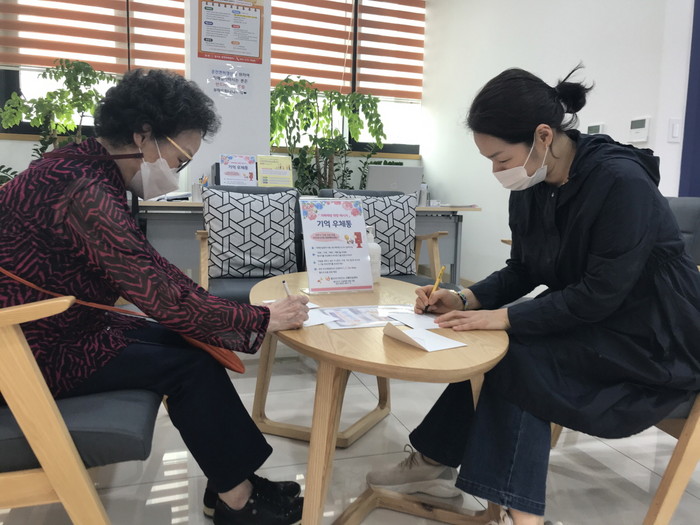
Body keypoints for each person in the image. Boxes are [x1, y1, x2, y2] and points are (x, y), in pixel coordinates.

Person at [366, 66, 700, 525]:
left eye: (500, 158)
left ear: (543, 136)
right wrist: (465, 299)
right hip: (594, 316)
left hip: (656, 337)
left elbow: (600, 294)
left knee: (516, 355)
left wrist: (504, 318)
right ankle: (436, 463)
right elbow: (524, 268)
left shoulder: (621, 183)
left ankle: (515, 512)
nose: (496, 171)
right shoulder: (531, 185)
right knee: (490, 341)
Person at [0, 69, 309, 525]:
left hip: (51, 326)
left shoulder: (83, 165)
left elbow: (149, 269)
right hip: (26, 347)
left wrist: (241, 313)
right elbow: (157, 292)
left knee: (186, 342)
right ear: (143, 136)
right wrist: (258, 318)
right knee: (189, 365)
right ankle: (236, 500)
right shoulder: (86, 189)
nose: (176, 173)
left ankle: (231, 483)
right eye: (179, 159)